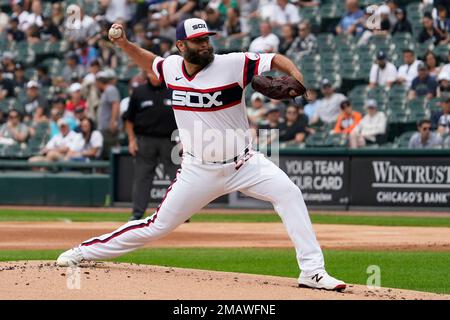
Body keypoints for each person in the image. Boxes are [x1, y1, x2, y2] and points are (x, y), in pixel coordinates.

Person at [57, 18, 346, 291]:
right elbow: (151, 62)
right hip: (198, 170)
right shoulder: (171, 68)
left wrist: (295, 75)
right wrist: (124, 44)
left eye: (207, 38)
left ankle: (312, 271)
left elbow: (272, 58)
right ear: (181, 46)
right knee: (155, 226)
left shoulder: (233, 64)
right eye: (197, 41)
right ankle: (82, 251)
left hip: (245, 163)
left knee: (290, 194)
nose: (205, 45)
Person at [122, 72, 178, 221]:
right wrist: (131, 140)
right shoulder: (139, 92)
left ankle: (180, 212)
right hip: (145, 140)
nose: (156, 75)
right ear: (147, 73)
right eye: (152, 72)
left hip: (170, 140)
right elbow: (128, 119)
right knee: (142, 177)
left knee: (177, 177)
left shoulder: (172, 90)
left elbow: (185, 116)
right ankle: (137, 213)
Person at [96, 70, 120, 159]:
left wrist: (113, 121)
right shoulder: (106, 91)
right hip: (105, 128)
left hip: (109, 128)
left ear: (99, 82)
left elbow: (115, 104)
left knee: (110, 153)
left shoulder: (110, 89)